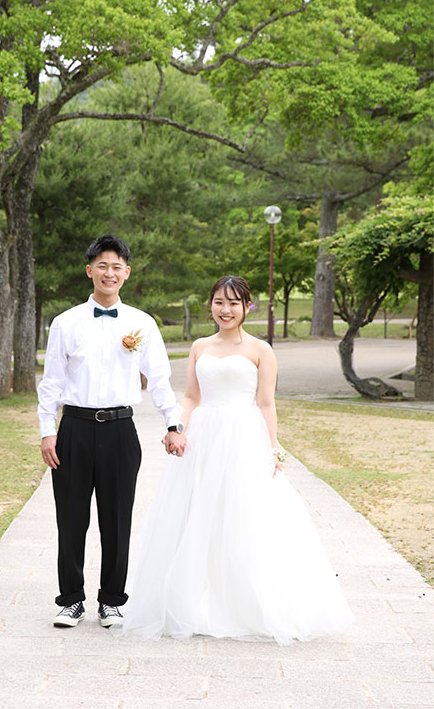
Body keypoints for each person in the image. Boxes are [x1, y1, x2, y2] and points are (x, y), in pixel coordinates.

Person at [115, 275, 354, 644]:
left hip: (244, 436)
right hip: (203, 439)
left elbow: (266, 403)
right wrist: (177, 427)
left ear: (247, 307)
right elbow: (192, 397)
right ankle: (195, 602)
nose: (225, 310)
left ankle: (247, 604)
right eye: (218, 302)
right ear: (210, 305)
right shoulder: (199, 346)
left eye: (233, 303)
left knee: (243, 514)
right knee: (198, 515)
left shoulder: (261, 350)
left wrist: (272, 449)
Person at [37, 234, 185, 629]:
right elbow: (51, 382)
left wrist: (174, 423)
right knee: (70, 519)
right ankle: (70, 600)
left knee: (117, 519)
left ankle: (112, 600)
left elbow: (159, 379)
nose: (109, 272)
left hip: (121, 430)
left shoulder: (142, 323)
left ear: (127, 273)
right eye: (102, 265)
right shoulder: (65, 323)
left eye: (117, 266)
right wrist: (47, 431)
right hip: (75, 429)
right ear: (90, 271)